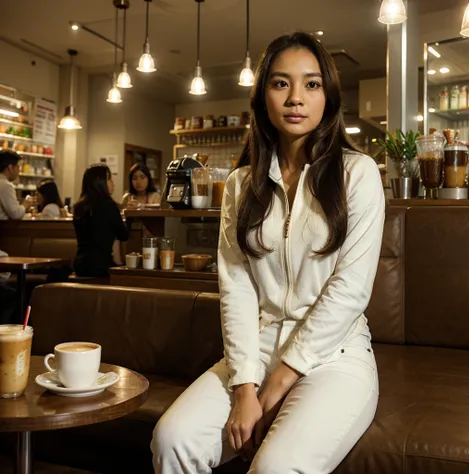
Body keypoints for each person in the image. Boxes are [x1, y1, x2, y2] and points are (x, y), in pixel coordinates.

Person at [152, 32, 385, 474]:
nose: (296, 97)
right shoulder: (241, 185)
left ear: (328, 96)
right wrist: (244, 385)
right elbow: (236, 287)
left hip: (335, 354)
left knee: (274, 467)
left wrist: (280, 380)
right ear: (262, 97)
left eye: (311, 84)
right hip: (256, 348)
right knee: (172, 439)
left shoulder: (359, 173)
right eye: (281, 84)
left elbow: (350, 290)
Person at [73, 164, 129, 277]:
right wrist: (130, 219)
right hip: (101, 266)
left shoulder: (79, 207)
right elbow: (124, 235)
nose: (113, 183)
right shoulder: (108, 205)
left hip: (79, 264)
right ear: (100, 183)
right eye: (109, 179)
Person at [0, 150, 33, 220]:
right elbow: (16, 214)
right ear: (10, 168)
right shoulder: (6, 186)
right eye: (18, 167)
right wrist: (26, 204)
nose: (19, 170)